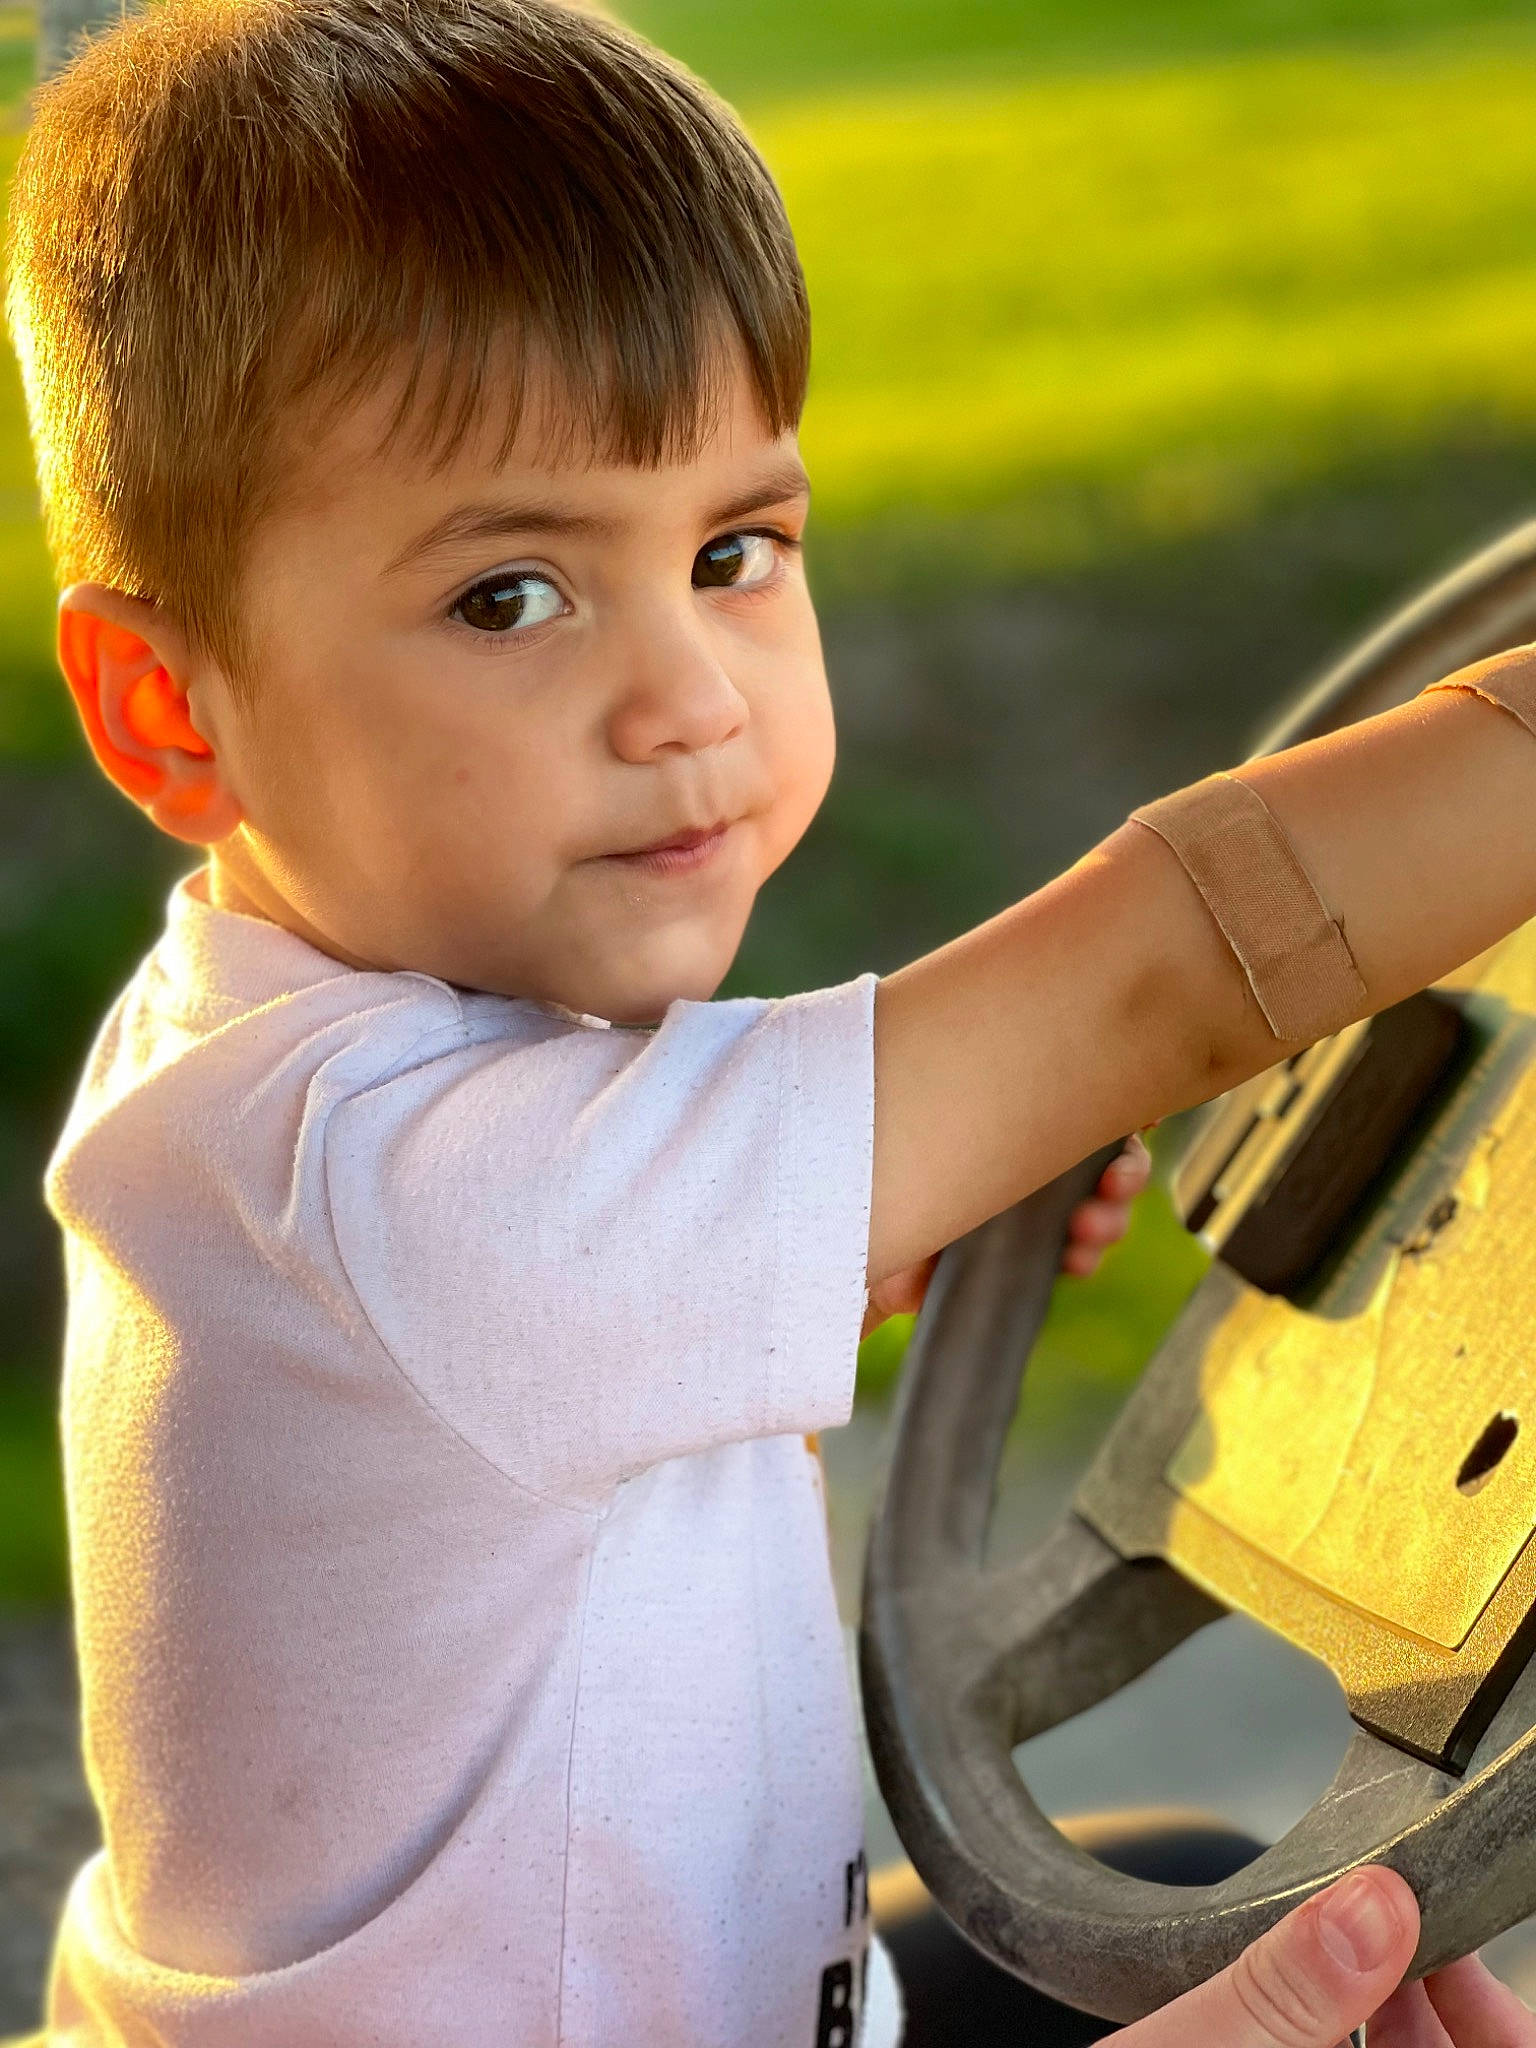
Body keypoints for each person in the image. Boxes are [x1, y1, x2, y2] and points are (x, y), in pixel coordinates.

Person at [8, 0, 1536, 2041]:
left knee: (1169, 1871)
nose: (689, 699)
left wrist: (850, 1258)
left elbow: (485, 1433)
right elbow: (1166, 966)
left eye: (733, 551)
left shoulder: (251, 1064)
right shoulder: (430, 1197)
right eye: (512, 597)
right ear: (165, 712)